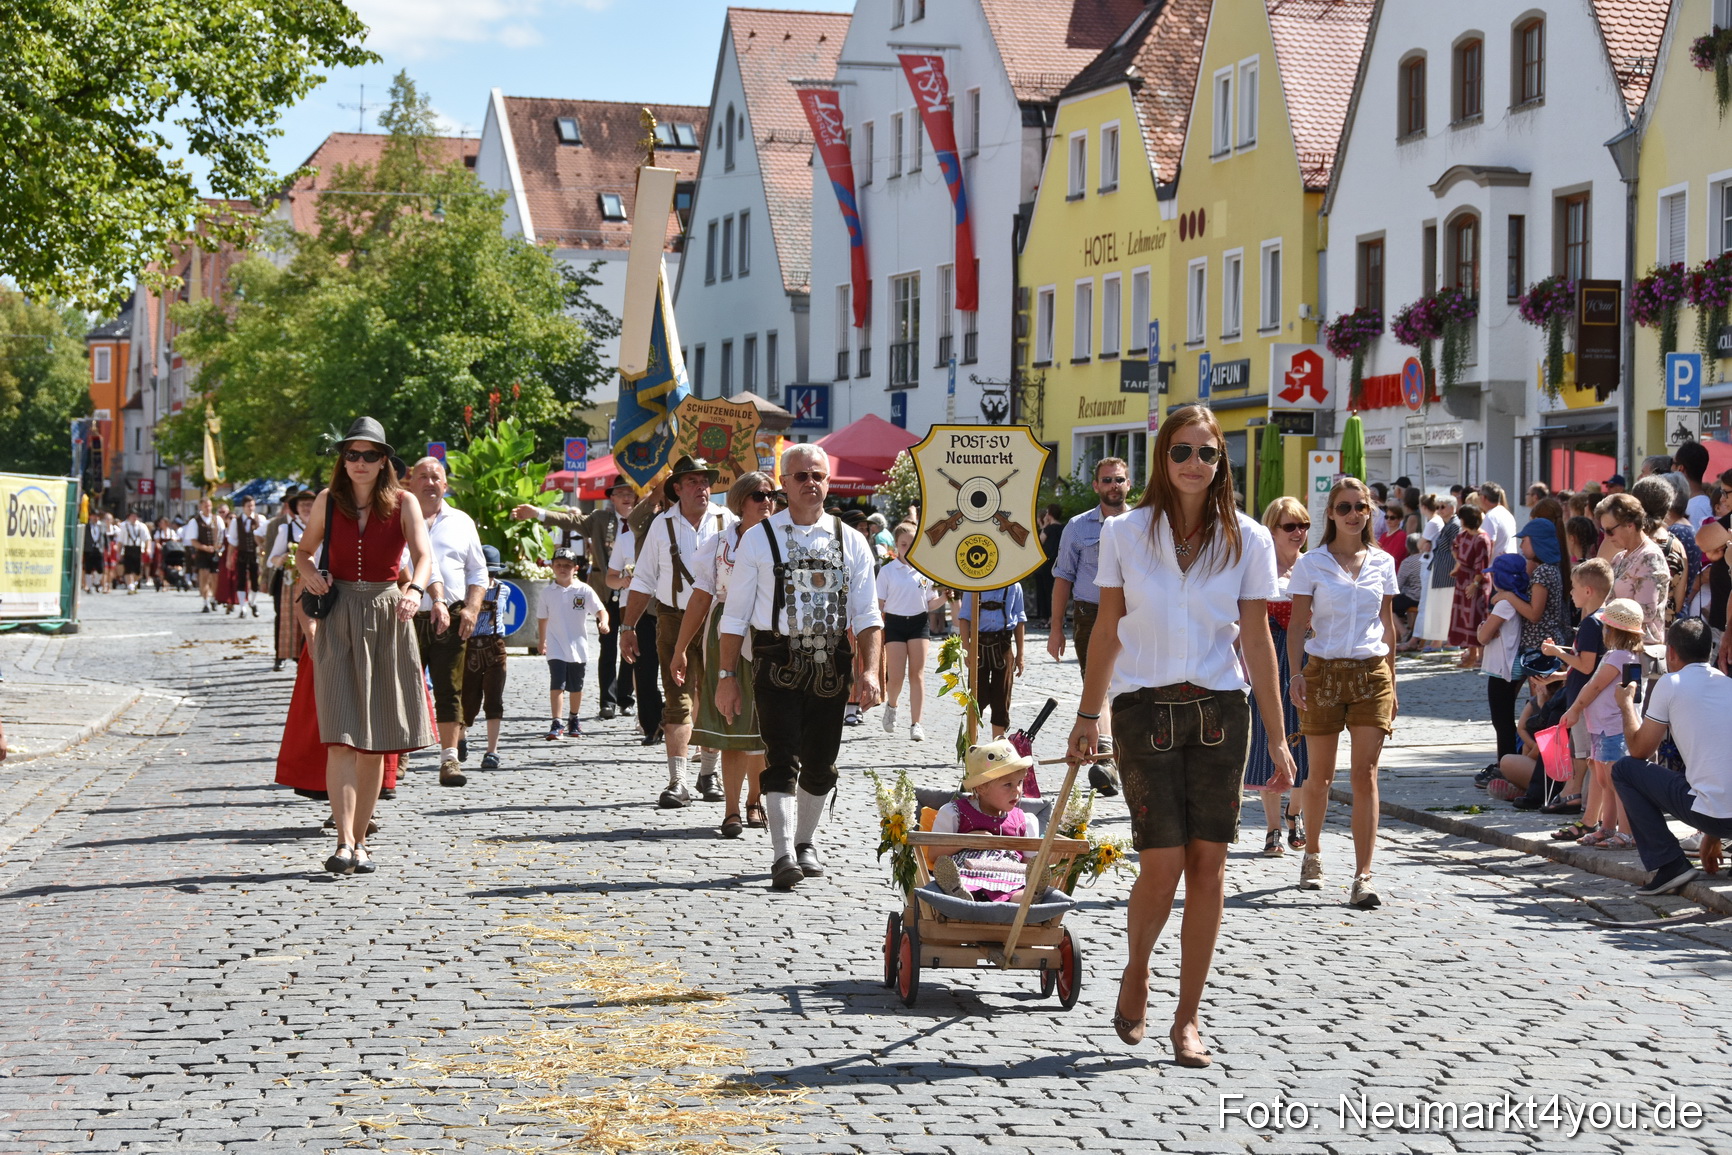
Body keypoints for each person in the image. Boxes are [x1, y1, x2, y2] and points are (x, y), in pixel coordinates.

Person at [1065, 404, 1295, 1066]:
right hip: (1144, 709)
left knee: (1209, 868)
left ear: (1223, 463)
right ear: (1161, 459)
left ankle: (1187, 1018)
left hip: (1222, 710)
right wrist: (1088, 716)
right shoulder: (1125, 534)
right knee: (1161, 864)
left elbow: (1257, 637)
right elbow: (1108, 628)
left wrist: (1279, 738)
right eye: (1182, 452)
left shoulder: (1247, 538)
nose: (1196, 464)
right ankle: (1138, 967)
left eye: (1208, 454)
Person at [716, 443, 883, 891]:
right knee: (781, 754)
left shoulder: (853, 540)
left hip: (832, 658)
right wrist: (726, 676)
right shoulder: (758, 538)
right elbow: (734, 617)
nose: (812, 483)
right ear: (784, 484)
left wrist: (870, 672)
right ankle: (782, 852)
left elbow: (867, 615)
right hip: (776, 657)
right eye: (802, 476)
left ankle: (805, 841)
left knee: (822, 762)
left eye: (819, 475)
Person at [293, 417, 435, 875]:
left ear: (384, 461)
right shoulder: (326, 502)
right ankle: (341, 842)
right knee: (340, 738)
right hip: (337, 617)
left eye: (369, 455)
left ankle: (361, 840)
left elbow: (422, 555)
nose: (359, 463)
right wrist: (308, 573)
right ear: (343, 460)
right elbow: (302, 552)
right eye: (351, 454)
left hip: (386, 613)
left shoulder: (404, 501)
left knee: (374, 742)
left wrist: (414, 591)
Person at [1287, 477, 1399, 909]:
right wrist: (1296, 673)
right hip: (1323, 674)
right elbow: (1298, 625)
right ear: (1331, 514)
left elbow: (1387, 626)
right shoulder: (1312, 564)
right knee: (1321, 776)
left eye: (1361, 507)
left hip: (1372, 674)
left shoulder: (1383, 562)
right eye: (1345, 507)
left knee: (1365, 775)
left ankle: (1363, 875)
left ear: (1369, 513)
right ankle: (1312, 854)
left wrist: (1394, 680)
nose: (1354, 514)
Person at [621, 455, 736, 808]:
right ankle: (678, 781)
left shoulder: (726, 520)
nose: (702, 487)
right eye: (693, 482)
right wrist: (628, 624)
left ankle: (709, 774)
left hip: (719, 618)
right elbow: (642, 579)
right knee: (678, 695)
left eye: (705, 481)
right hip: (672, 617)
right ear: (677, 488)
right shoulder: (661, 525)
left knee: (716, 692)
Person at [671, 472, 776, 839]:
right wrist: (680, 648)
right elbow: (701, 597)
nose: (768, 502)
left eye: (772, 495)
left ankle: (755, 799)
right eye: (759, 495)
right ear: (741, 502)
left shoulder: (782, 540)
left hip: (767, 632)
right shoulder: (718, 544)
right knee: (731, 722)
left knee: (763, 724)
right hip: (725, 632)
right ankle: (731, 808)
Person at [1612, 617, 1732, 895]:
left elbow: (1640, 751)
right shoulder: (1728, 684)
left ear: (1671, 654)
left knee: (1625, 770)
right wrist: (1712, 838)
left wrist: (1626, 705)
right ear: (1710, 652)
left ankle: (1669, 863)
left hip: (1712, 816)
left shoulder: (1671, 683)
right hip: (1721, 815)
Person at [516, 478, 638, 719]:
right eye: (620, 492)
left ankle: (627, 698)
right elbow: (571, 521)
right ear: (611, 498)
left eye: (630, 492)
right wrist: (538, 513)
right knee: (607, 645)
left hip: (635, 593)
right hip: (606, 590)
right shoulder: (601, 519)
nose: (626, 497)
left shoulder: (644, 520)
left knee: (632, 644)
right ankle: (608, 701)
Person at [1050, 457, 1131, 795]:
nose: (1114, 485)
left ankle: (1125, 759)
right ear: (1096, 486)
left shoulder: (1143, 523)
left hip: (1135, 614)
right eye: (1107, 480)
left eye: (1120, 479)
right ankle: (1108, 760)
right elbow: (1062, 577)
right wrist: (1056, 627)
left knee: (1133, 688)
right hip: (1091, 614)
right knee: (1099, 685)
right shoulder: (1078, 527)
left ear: (1129, 484)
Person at [407, 457, 488, 787]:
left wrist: (471, 608)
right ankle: (397, 760)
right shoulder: (397, 517)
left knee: (450, 689)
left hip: (452, 617)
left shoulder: (461, 521)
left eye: (436, 477)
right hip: (407, 615)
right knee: (402, 689)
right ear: (410, 483)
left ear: (446, 484)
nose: (429, 483)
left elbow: (478, 571)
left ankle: (449, 760)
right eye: (422, 477)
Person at [1246, 497, 1310, 857]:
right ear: (1272, 529)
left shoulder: (1312, 566)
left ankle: (1295, 813)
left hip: (1305, 662)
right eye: (1290, 526)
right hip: (1269, 660)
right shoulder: (1260, 568)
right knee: (1267, 740)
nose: (1299, 533)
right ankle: (1272, 828)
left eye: (1303, 526)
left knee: (1305, 740)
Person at [1559, 598, 1645, 850]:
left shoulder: (1619, 656)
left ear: (1611, 630)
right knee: (1606, 782)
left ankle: (1626, 832)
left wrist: (1575, 709)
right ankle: (1607, 827)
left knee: (1615, 782)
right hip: (1602, 728)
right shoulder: (1617, 655)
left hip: (1612, 728)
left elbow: (1594, 686)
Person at [932, 739, 1041, 903]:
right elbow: (934, 854)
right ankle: (959, 893)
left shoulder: (1024, 821)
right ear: (981, 788)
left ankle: (1029, 896)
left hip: (1007, 877)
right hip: (968, 872)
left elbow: (1028, 863)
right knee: (959, 878)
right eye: (1007, 785)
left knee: (1020, 887)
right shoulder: (955, 813)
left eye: (1020, 782)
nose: (1017, 791)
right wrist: (968, 840)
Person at [877, 523, 943, 742]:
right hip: (895, 622)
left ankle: (916, 723)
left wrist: (946, 598)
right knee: (896, 677)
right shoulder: (887, 571)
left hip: (918, 622)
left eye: (913, 544)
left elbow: (930, 602)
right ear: (897, 545)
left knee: (917, 673)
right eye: (904, 544)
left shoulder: (925, 571)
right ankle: (892, 705)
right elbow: (879, 603)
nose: (908, 548)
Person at [539, 546, 609, 738]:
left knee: (576, 686)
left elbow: (600, 610)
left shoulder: (583, 590)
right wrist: (542, 640)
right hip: (555, 646)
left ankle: (574, 718)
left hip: (578, 646)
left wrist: (603, 622)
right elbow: (542, 618)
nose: (563, 568)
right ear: (552, 566)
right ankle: (557, 721)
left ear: (575, 568)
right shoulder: (547, 592)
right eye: (559, 565)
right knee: (557, 683)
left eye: (568, 565)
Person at [459, 544, 511, 771]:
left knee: (494, 699)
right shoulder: (466, 589)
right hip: (470, 646)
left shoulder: (503, 590)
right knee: (467, 698)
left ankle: (492, 750)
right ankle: (461, 735)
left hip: (494, 646)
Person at [956, 580, 1027, 740]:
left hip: (1004, 645)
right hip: (978, 645)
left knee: (1002, 696)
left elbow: (1020, 620)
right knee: (975, 696)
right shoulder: (973, 587)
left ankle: (997, 745)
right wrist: (966, 649)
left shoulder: (1014, 586)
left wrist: (1020, 655)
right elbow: (964, 618)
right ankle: (972, 743)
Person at [1599, 493, 1669, 652]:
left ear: (1630, 525)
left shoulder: (1650, 557)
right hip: (1619, 650)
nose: (1606, 537)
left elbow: (1645, 612)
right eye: (1603, 530)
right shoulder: (1620, 557)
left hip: (1639, 652)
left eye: (1610, 531)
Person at [1479, 554, 1531, 762]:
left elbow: (1483, 637)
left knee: (1501, 721)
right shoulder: (1517, 600)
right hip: (1509, 664)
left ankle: (1506, 762)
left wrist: (1480, 629)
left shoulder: (1504, 604)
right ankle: (1507, 761)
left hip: (1503, 667)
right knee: (1504, 719)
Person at [268, 489, 318, 671]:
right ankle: (285, 656)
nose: (307, 508)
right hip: (292, 582)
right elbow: (271, 558)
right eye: (303, 504)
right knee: (291, 621)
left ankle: (308, 661)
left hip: (316, 580)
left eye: (310, 504)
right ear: (296, 508)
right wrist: (282, 559)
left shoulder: (321, 527)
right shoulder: (286, 529)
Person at [1448, 504, 1490, 668]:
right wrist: (1458, 565)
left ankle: (1479, 656)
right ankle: (1471, 655)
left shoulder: (1482, 539)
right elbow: (1455, 547)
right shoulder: (1463, 535)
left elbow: (1483, 564)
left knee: (1476, 618)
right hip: (1463, 579)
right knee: (1464, 618)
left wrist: (1475, 583)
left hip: (1476, 582)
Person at [182, 497, 222, 611]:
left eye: (209, 506)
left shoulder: (217, 519)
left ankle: (214, 598)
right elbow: (193, 540)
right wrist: (204, 547)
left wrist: (217, 546)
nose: (208, 508)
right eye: (205, 506)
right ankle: (205, 601)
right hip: (202, 553)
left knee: (215, 577)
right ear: (200, 507)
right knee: (204, 576)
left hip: (215, 553)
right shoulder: (195, 521)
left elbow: (222, 535)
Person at [1033, 504, 1065, 626]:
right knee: (1056, 591)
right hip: (1059, 563)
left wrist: (1044, 526)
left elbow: (1039, 542)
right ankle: (1056, 618)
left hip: (1047, 564)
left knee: (1045, 592)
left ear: (1050, 514)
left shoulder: (1049, 529)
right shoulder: (1063, 528)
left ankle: (1047, 618)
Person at [1392, 533, 1425, 648]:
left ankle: (1404, 633)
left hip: (1414, 596)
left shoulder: (1408, 562)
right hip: (1425, 596)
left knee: (1388, 606)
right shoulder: (1426, 558)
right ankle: (1410, 634)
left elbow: (1397, 585)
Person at [116, 510, 152, 594]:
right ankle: (130, 586)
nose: (134, 518)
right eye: (132, 516)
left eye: (136, 516)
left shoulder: (141, 526)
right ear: (129, 517)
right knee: (128, 568)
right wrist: (119, 552)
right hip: (128, 548)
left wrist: (148, 548)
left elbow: (147, 539)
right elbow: (120, 540)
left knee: (138, 571)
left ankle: (134, 583)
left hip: (138, 549)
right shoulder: (124, 526)